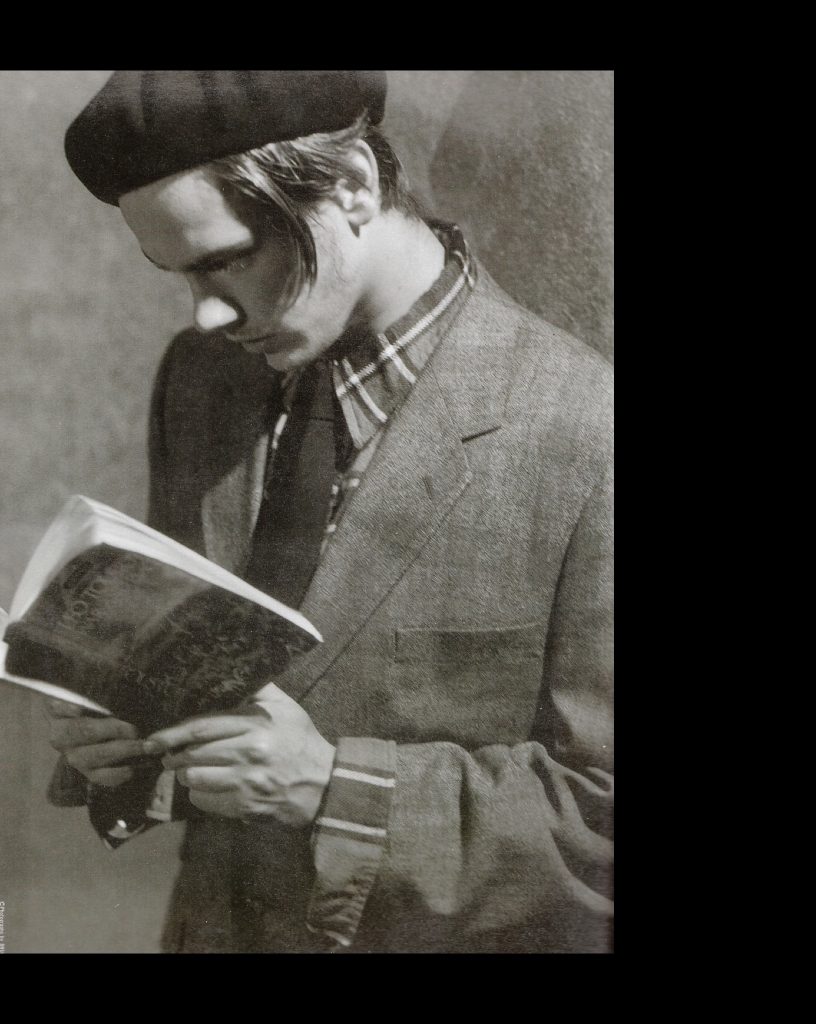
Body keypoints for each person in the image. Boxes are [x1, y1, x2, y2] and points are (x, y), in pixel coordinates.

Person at [43, 70, 613, 953]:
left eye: (225, 258)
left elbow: (599, 817)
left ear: (350, 184)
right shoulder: (201, 382)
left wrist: (330, 786)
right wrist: (128, 741)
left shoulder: (587, 430)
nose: (206, 313)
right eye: (179, 273)